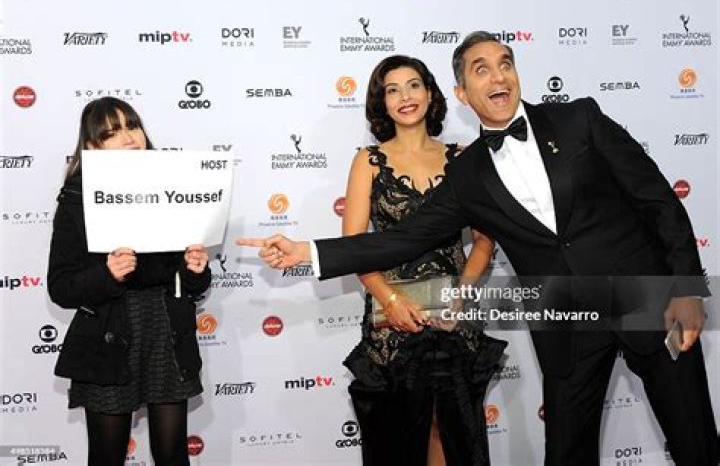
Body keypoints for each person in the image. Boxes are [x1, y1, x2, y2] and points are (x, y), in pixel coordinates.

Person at [239, 32, 717, 466]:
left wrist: (687, 288)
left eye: (505, 63)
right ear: (463, 94)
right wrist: (308, 251)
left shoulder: (579, 119)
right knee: (567, 456)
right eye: (481, 69)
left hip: (649, 303)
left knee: (695, 444)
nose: (498, 75)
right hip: (566, 327)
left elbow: (658, 200)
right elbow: (403, 237)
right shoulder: (468, 175)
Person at [339, 55, 506, 466]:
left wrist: (462, 293)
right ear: (382, 103)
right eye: (392, 90)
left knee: (453, 434)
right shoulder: (368, 161)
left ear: (430, 93)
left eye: (413, 85)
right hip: (394, 321)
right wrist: (392, 301)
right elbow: (354, 248)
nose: (405, 97)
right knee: (397, 439)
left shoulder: (463, 159)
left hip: (454, 317)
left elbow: (484, 241)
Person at [48, 97, 211, 466]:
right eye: (111, 133)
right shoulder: (76, 198)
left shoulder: (175, 189)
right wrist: (106, 275)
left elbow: (192, 284)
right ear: (92, 147)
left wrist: (195, 270)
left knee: (173, 456)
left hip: (167, 331)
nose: (128, 137)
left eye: (132, 126)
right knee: (107, 457)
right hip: (108, 337)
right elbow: (60, 286)